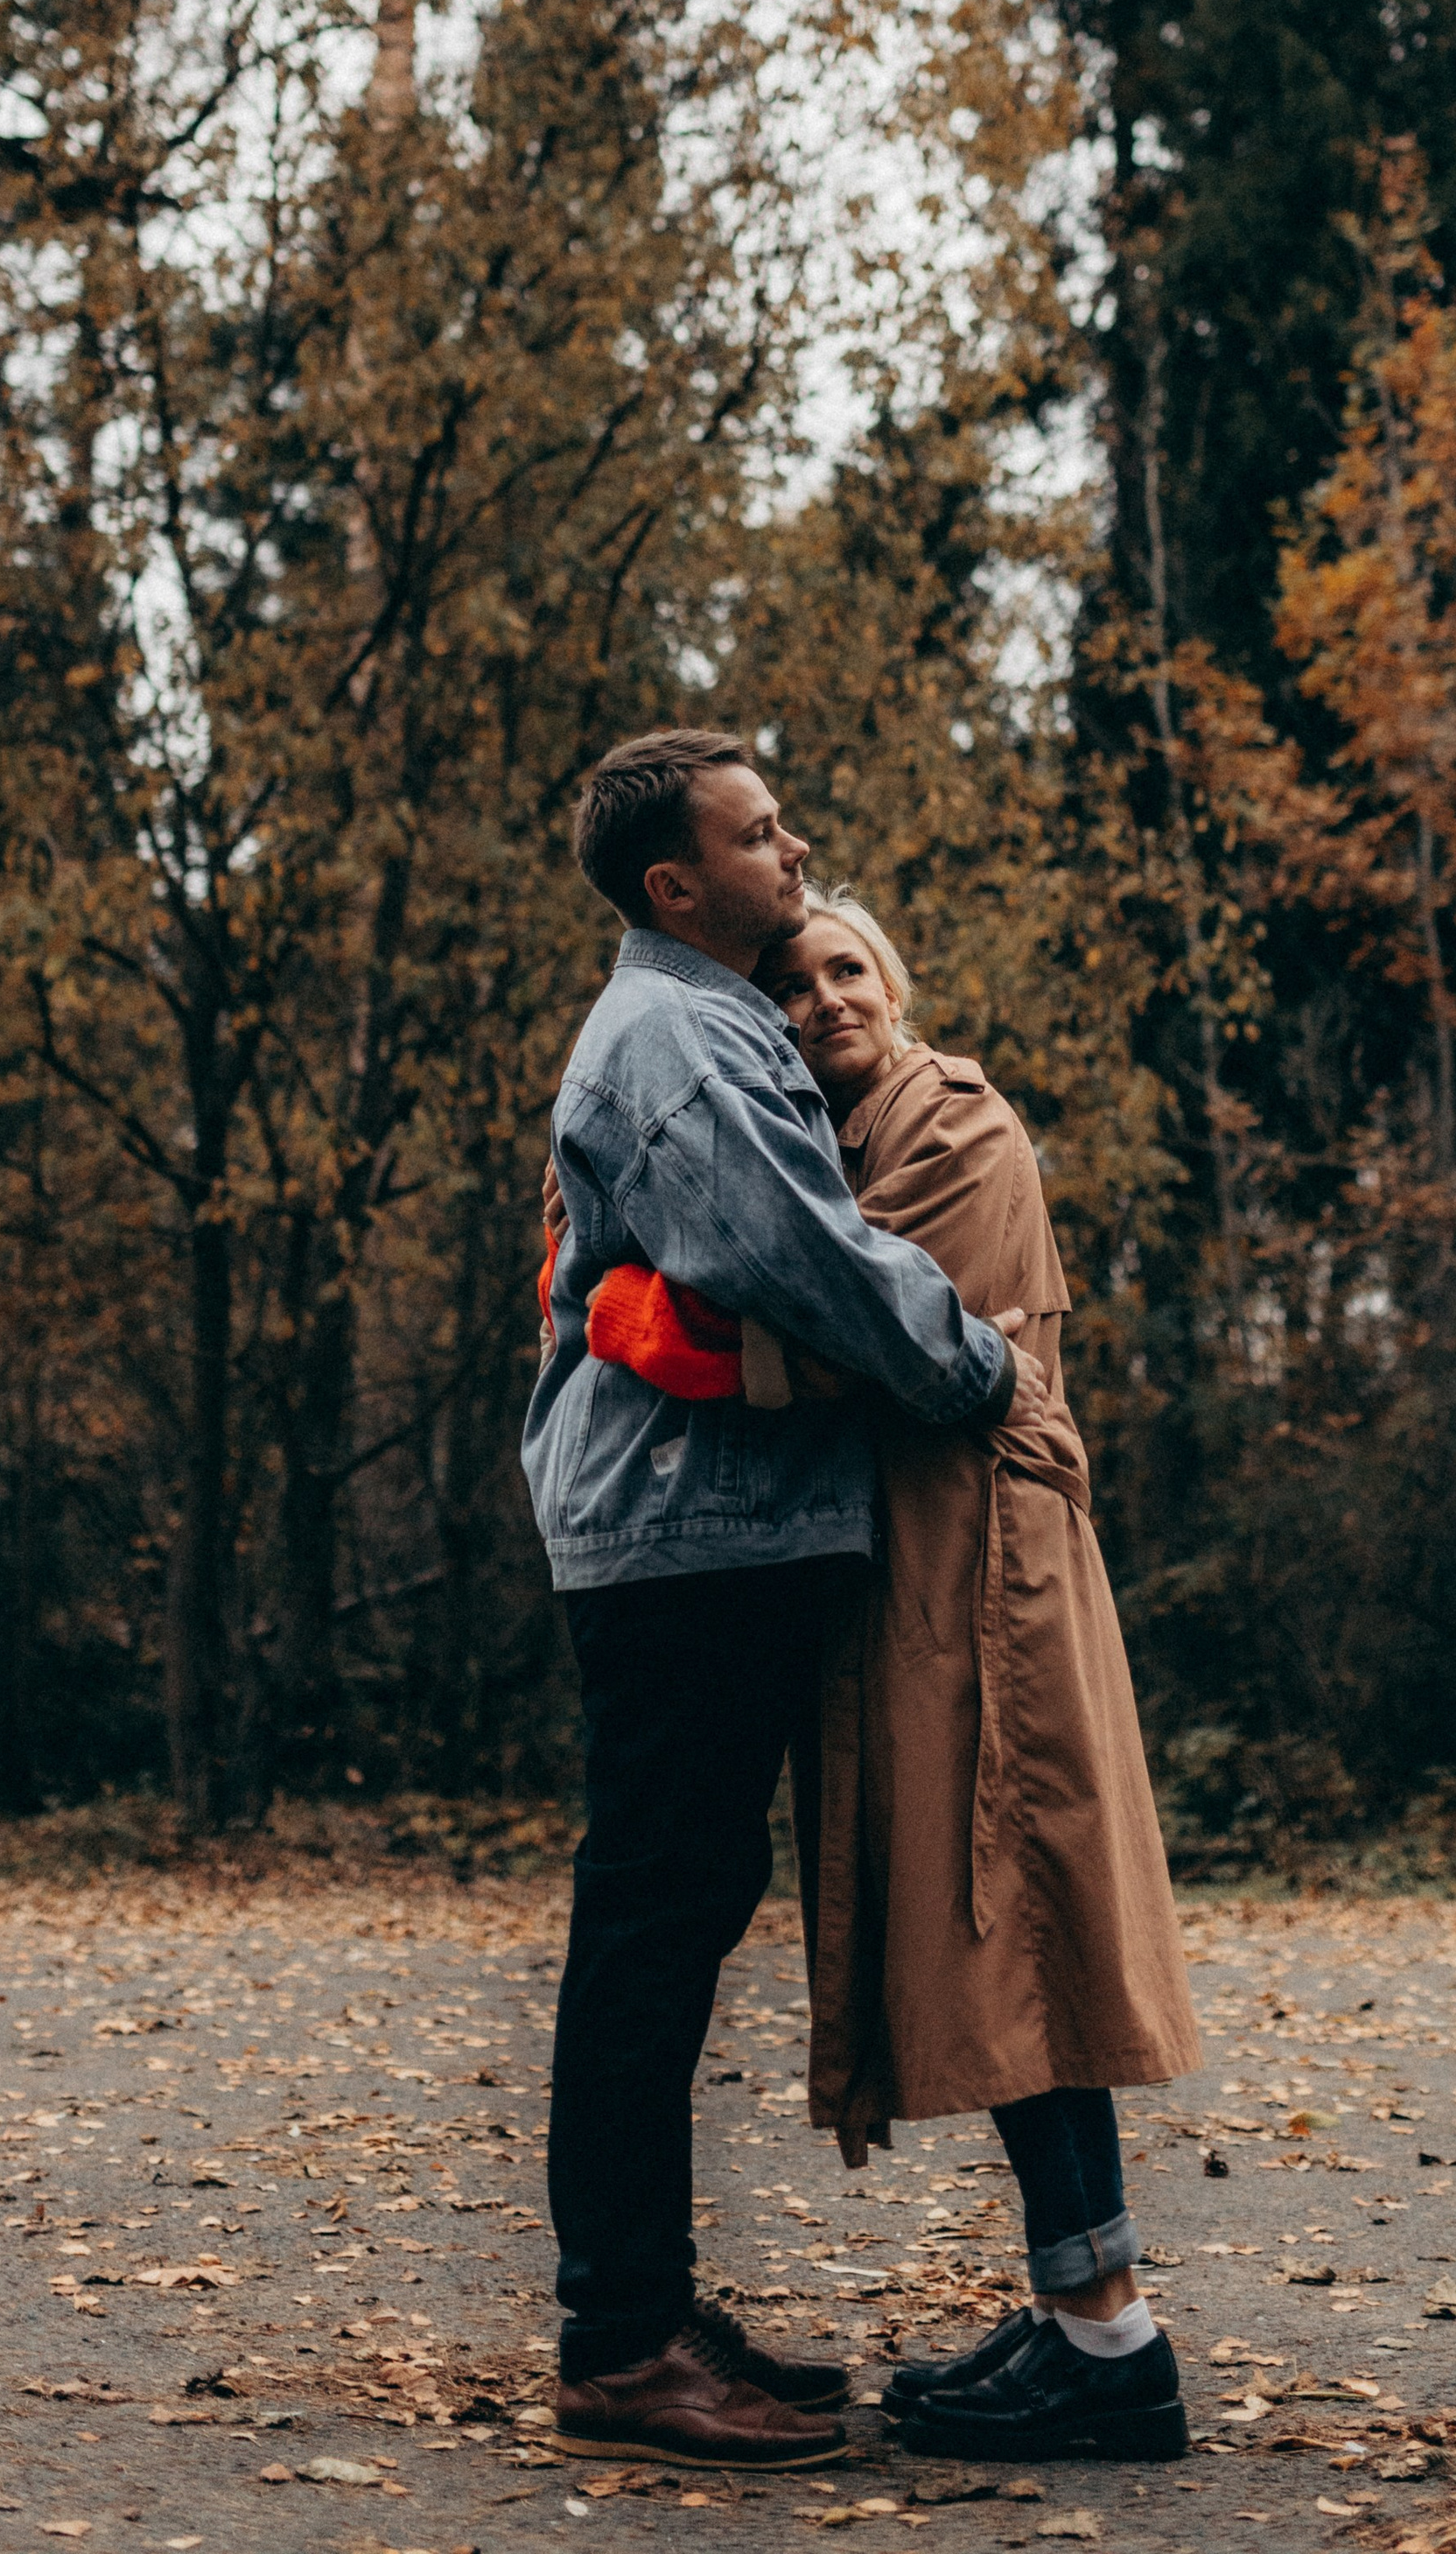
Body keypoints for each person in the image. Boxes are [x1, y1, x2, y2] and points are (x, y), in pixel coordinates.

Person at [525, 730, 1054, 2475]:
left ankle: (645, 2309)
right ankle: (619, 2339)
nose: (792, 845)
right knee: (651, 1915)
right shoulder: (678, 1040)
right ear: (676, 883)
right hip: (678, 1535)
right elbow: (811, 1265)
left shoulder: (708, 1021)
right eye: (759, 835)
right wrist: (979, 1365)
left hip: (706, 1528)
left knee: (671, 1902)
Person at [758, 890, 1201, 2466]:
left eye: (846, 969)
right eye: (792, 983)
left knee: (1028, 1928)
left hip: (992, 1586)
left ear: (899, 984)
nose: (820, 1001)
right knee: (1015, 1943)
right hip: (928, 1583)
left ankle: (1115, 2353)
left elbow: (844, 1326)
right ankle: (1093, 2317)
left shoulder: (951, 1126)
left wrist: (688, 1321)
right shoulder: (826, 1138)